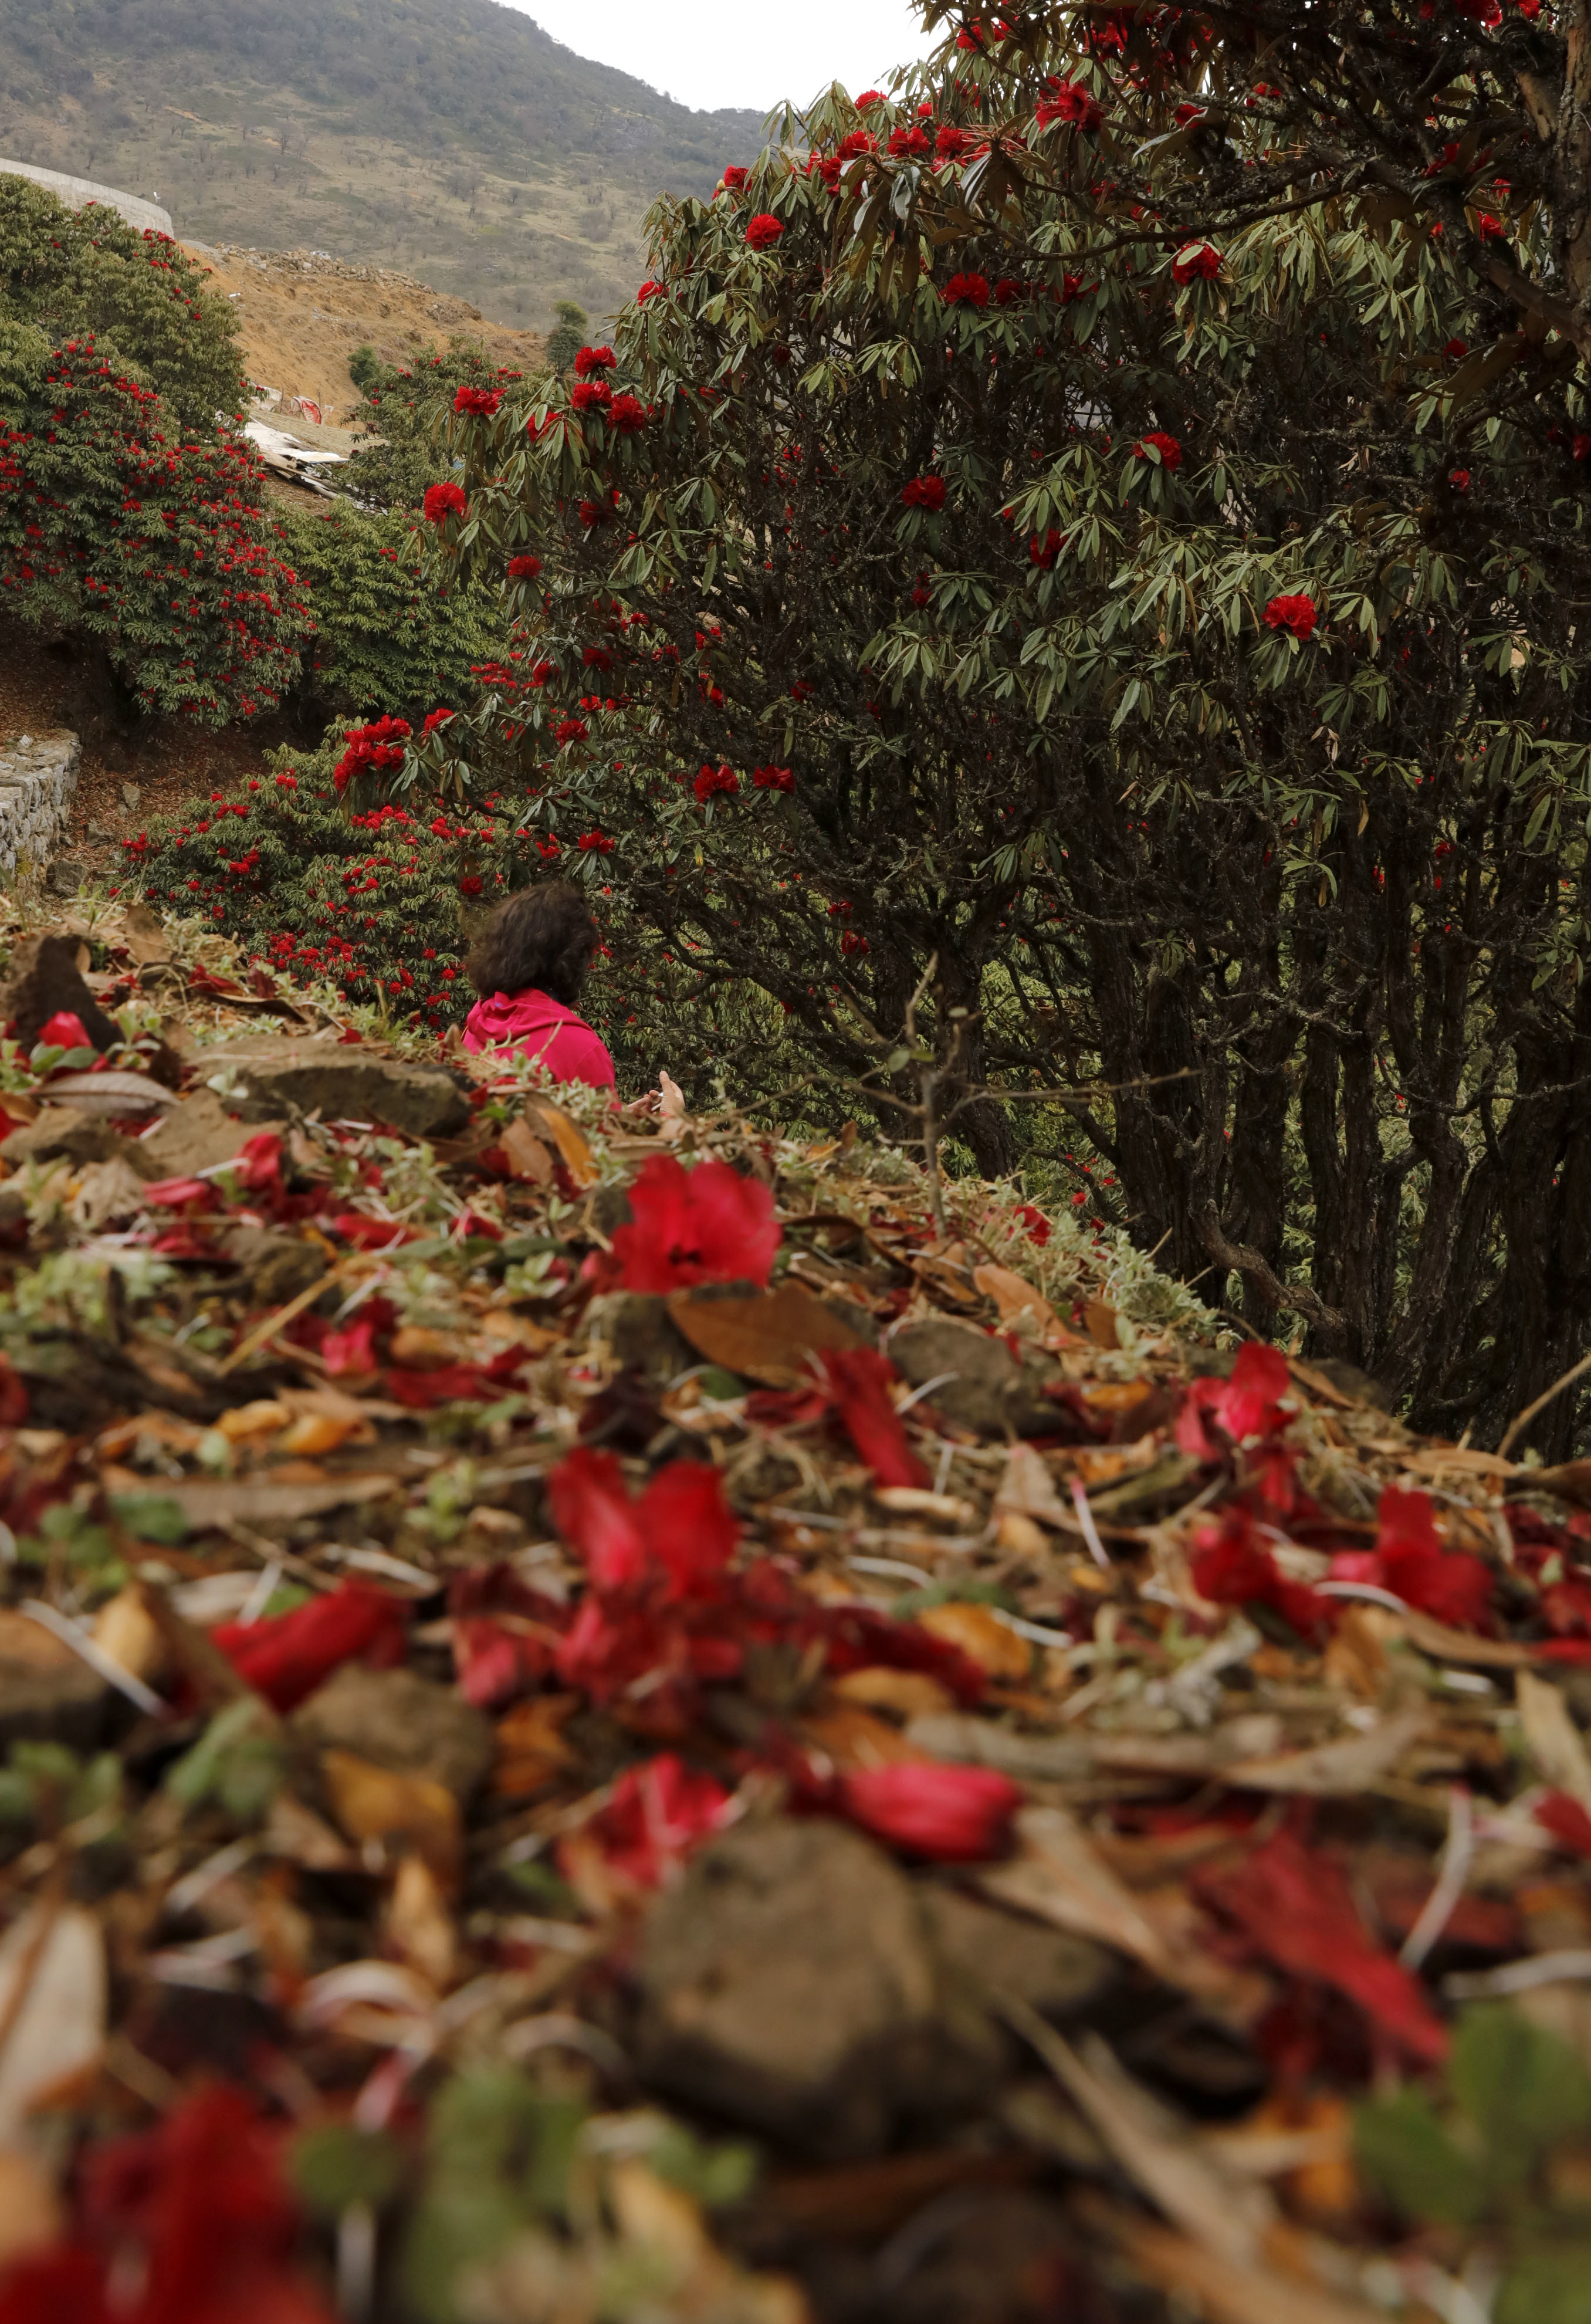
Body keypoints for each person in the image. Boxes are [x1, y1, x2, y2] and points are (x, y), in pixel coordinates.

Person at [459, 880, 616, 1091]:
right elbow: (602, 1124)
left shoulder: (477, 1027)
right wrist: (667, 1116)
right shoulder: (581, 1048)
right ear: (572, 959)